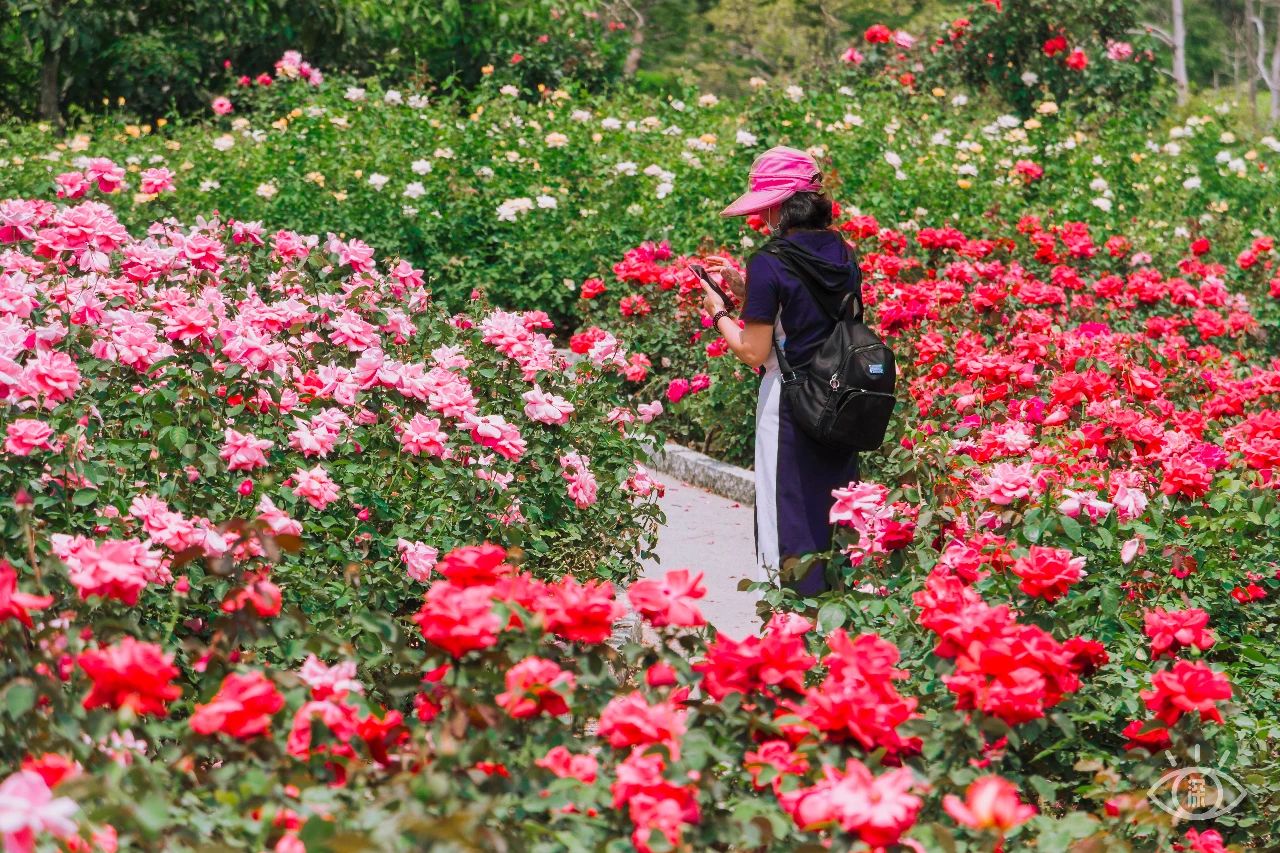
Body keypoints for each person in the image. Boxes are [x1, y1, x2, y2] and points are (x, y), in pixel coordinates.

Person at [698, 145, 862, 596]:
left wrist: (719, 313)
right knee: (833, 508)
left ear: (779, 207)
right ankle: (836, 607)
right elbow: (812, 312)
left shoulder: (770, 260)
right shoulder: (843, 254)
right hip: (838, 398)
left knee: (785, 511)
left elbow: (754, 351)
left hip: (789, 403)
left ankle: (791, 618)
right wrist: (747, 291)